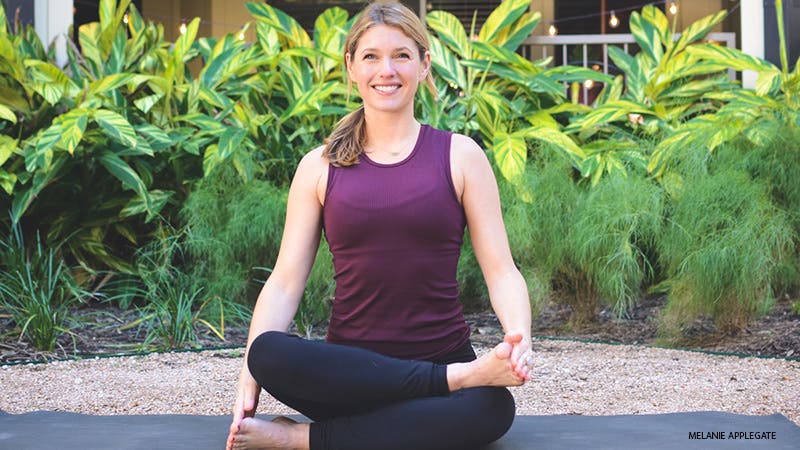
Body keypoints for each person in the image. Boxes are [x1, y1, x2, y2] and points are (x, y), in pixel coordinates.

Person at [226, 2, 533, 449]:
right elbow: (285, 282)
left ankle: (302, 440)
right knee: (267, 352)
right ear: (351, 66)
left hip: (440, 357)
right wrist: (249, 376)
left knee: (492, 408)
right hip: (351, 377)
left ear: (424, 65)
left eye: (401, 55)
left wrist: (517, 342)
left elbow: (502, 271)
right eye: (370, 56)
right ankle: (449, 385)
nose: (386, 70)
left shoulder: (461, 156)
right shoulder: (319, 166)